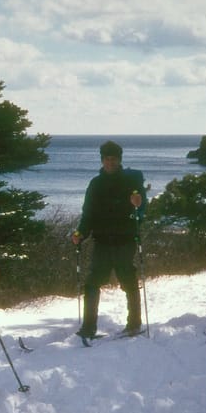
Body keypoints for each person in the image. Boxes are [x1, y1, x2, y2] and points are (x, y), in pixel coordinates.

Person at [71, 140, 147, 339]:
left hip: (125, 240)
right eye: (107, 159)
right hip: (102, 241)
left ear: (119, 160)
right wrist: (80, 233)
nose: (110, 162)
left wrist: (138, 204)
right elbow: (88, 213)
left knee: (128, 281)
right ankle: (88, 328)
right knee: (92, 284)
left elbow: (141, 211)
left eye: (113, 159)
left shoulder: (131, 183)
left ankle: (134, 324)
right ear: (102, 160)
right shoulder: (95, 184)